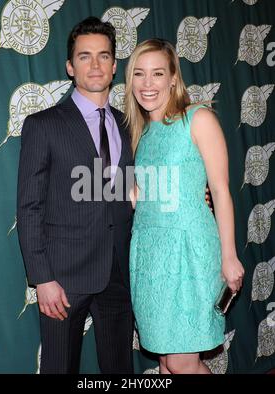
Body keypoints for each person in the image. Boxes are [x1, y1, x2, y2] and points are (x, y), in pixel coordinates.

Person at [17, 17, 134, 374]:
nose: (95, 65)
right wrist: (43, 278)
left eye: (103, 56)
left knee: (120, 368)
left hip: (119, 270)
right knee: (59, 367)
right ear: (70, 66)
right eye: (85, 56)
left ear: (115, 65)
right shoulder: (43, 125)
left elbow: (138, 188)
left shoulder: (130, 124)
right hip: (64, 277)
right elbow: (29, 206)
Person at [125, 39, 245, 374]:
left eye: (157, 74)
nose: (147, 84)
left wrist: (229, 255)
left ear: (173, 79)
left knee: (181, 362)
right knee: (165, 360)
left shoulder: (198, 119)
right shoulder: (143, 135)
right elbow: (139, 196)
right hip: (149, 259)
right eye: (139, 74)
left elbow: (220, 191)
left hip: (189, 253)